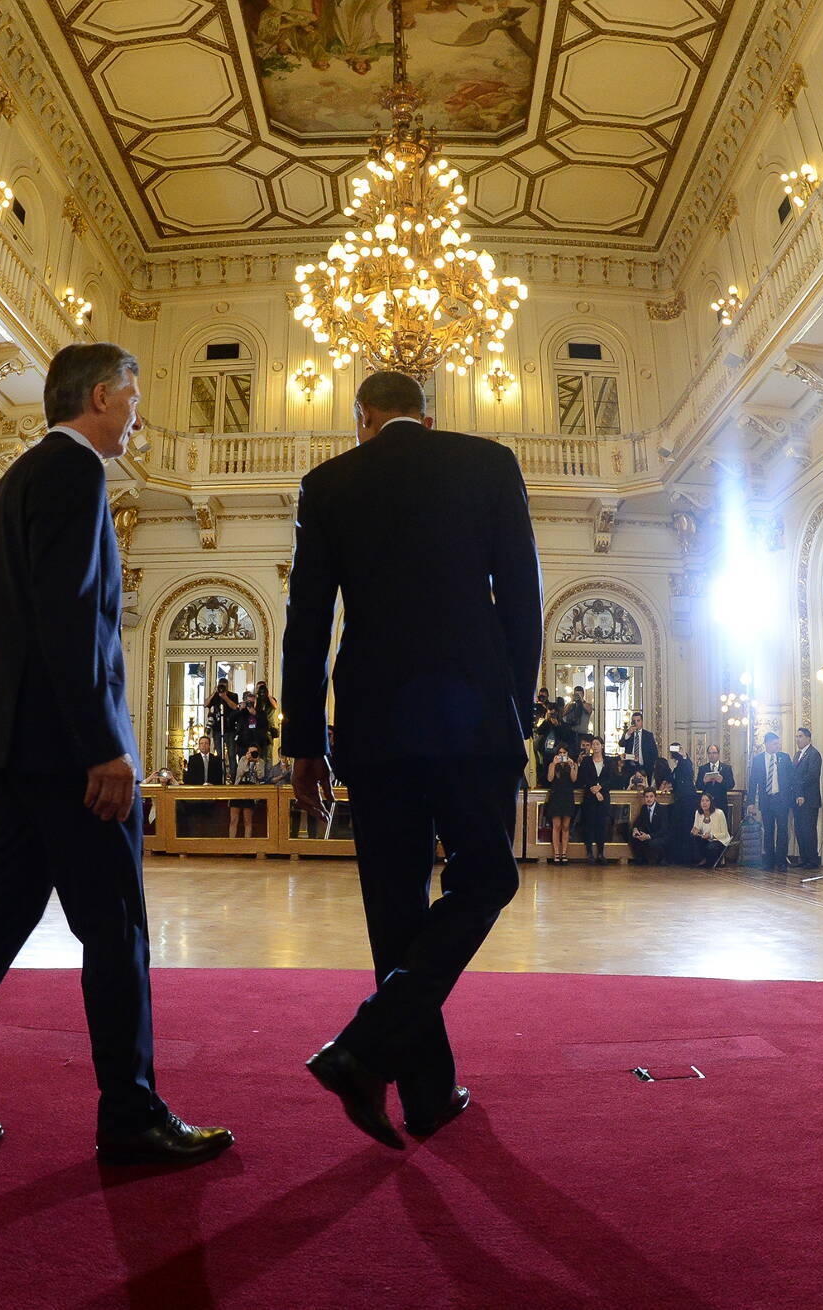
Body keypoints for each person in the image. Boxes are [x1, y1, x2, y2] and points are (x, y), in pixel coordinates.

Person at [0, 342, 231, 1167]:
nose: (139, 416)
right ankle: (131, 1116)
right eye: (135, 399)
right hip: (65, 756)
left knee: (0, 918)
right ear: (104, 395)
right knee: (116, 929)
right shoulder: (75, 476)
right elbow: (73, 621)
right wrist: (104, 746)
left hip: (12, 747)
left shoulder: (14, 480)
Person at [284, 369, 542, 1149]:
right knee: (487, 876)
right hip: (469, 719)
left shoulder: (328, 483)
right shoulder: (487, 462)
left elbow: (306, 621)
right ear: (425, 418)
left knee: (393, 907)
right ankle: (382, 1064)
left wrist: (306, 741)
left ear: (362, 417)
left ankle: (411, 1084)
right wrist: (516, 711)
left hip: (372, 725)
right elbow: (523, 600)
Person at [744, 730, 795, 872]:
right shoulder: (758, 760)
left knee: (783, 830)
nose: (777, 746)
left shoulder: (784, 758)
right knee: (768, 831)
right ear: (766, 744)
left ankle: (781, 861)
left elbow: (792, 779)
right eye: (774, 743)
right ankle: (769, 861)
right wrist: (751, 803)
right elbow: (753, 782)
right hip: (767, 800)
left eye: (778, 743)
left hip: (781, 800)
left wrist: (796, 795)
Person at [575, 736, 613, 865]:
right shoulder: (586, 761)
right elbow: (583, 777)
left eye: (597, 744)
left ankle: (601, 853)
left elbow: (610, 778)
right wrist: (594, 790)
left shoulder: (608, 761)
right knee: (589, 824)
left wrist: (600, 787)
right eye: (593, 744)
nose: (595, 746)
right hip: (590, 797)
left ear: (602, 745)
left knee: (601, 824)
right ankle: (589, 852)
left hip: (603, 796)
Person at [791, 726, 823, 869]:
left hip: (809, 799)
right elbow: (794, 776)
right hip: (797, 798)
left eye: (800, 736)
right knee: (799, 829)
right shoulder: (797, 755)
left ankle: (812, 860)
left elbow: (811, 776)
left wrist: (800, 792)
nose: (797, 739)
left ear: (808, 738)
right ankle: (803, 858)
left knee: (808, 830)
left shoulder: (814, 754)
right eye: (797, 736)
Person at [545, 745, 577, 865]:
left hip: (568, 796)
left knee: (566, 826)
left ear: (568, 754)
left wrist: (572, 765)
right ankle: (556, 854)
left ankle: (564, 853)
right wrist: (553, 764)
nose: (562, 755)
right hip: (556, 796)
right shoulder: (552, 765)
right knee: (556, 825)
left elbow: (574, 779)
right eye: (560, 752)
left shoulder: (572, 764)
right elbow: (550, 778)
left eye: (564, 753)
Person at [667, 742, 696, 864]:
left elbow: (688, 774)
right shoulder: (677, 765)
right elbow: (676, 780)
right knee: (678, 828)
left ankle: (688, 858)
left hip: (687, 801)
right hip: (679, 800)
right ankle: (679, 857)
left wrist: (684, 756)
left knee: (686, 827)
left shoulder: (686, 762)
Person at [231, 744, 267, 837]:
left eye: (254, 752)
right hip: (239, 788)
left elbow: (261, 776)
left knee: (247, 820)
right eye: (250, 752)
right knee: (233, 820)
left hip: (252, 789)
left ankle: (247, 845)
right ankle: (231, 844)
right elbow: (239, 773)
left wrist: (257, 762)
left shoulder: (261, 761)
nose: (251, 754)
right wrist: (247, 760)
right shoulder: (243, 759)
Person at [690, 791, 732, 869]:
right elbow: (696, 828)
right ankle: (703, 859)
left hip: (718, 839)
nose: (704, 803)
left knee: (711, 847)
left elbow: (724, 834)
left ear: (711, 802)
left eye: (707, 800)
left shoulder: (719, 813)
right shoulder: (698, 813)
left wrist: (711, 835)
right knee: (693, 838)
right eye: (702, 801)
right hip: (704, 838)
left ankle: (715, 860)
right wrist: (695, 831)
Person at [629, 788, 666, 865]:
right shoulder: (644, 808)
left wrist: (649, 836)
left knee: (653, 843)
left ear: (655, 797)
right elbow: (638, 821)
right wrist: (635, 829)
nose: (649, 799)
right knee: (632, 836)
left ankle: (659, 860)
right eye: (647, 797)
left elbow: (663, 830)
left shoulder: (661, 809)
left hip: (659, 836)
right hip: (647, 834)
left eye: (651, 796)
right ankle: (640, 860)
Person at [618, 712, 659, 780]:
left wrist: (653, 766)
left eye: (638, 721)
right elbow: (621, 744)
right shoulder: (628, 733)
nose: (636, 723)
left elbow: (654, 752)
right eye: (634, 721)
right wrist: (628, 733)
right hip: (630, 767)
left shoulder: (648, 735)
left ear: (642, 722)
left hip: (645, 767)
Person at [697, 745, 735, 815]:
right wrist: (704, 782)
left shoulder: (726, 768)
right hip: (706, 804)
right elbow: (698, 785)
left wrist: (722, 781)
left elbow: (731, 785)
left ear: (718, 754)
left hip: (721, 803)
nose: (712, 755)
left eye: (714, 753)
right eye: (709, 753)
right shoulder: (702, 768)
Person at [254, 680, 280, 762]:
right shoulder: (256, 700)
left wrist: (268, 695)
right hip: (258, 730)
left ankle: (268, 774)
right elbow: (254, 711)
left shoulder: (270, 699)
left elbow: (275, 706)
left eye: (262, 688)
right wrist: (256, 697)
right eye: (259, 688)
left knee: (268, 755)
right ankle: (260, 773)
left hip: (268, 730)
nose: (261, 690)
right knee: (259, 754)